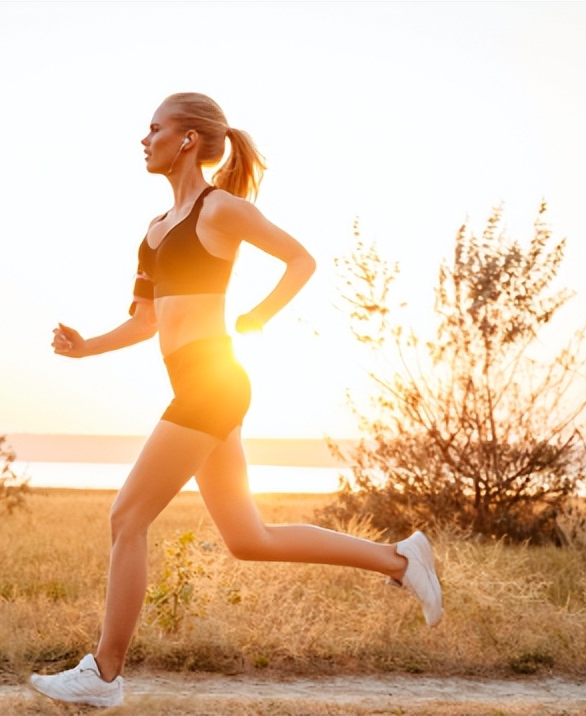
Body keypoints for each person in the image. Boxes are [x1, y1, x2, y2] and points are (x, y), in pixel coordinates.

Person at [30, 92, 442, 709]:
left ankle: (105, 675)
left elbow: (300, 260)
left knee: (127, 518)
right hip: (198, 386)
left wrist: (258, 316)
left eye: (155, 128)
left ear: (188, 140)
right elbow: (146, 321)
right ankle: (400, 560)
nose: (144, 139)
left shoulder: (219, 208)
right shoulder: (153, 232)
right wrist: (86, 347)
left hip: (213, 384)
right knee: (249, 539)